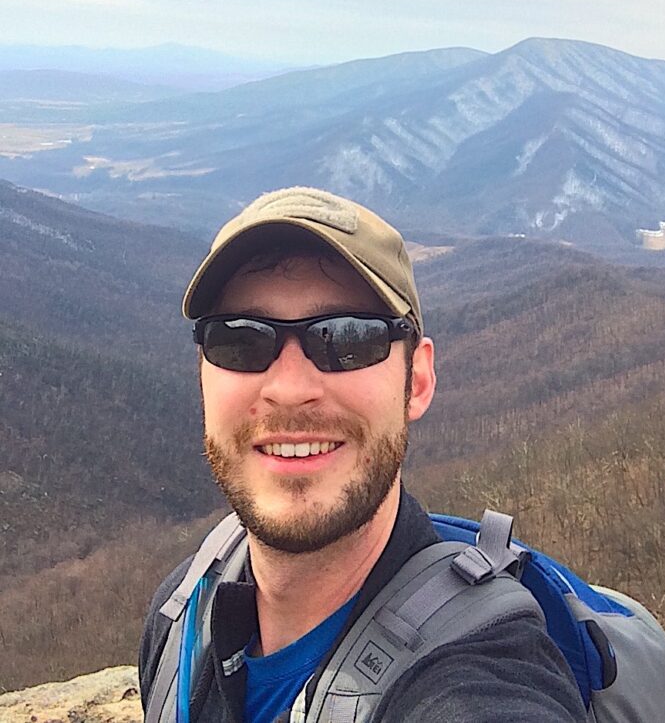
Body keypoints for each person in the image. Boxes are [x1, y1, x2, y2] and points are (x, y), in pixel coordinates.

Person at [139, 187, 587, 722]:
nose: (289, 389)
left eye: (345, 340)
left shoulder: (480, 678)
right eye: (241, 340)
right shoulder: (183, 623)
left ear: (417, 380)